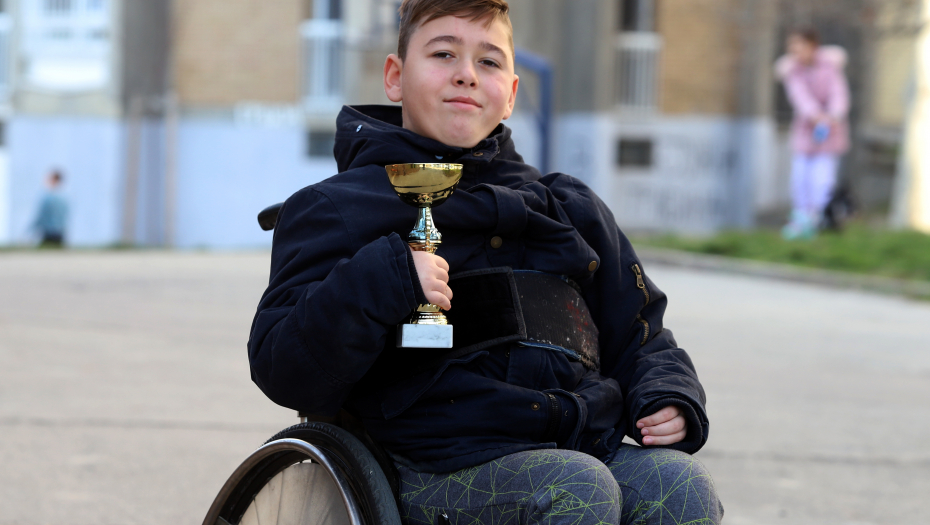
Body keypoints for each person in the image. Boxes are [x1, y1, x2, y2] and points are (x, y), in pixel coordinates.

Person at [248, 1, 723, 523]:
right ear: (395, 77)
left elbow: (642, 332)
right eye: (443, 54)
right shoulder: (338, 208)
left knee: (681, 488)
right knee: (576, 489)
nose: (467, 75)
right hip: (429, 463)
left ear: (512, 93)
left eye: (489, 62)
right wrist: (385, 278)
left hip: (579, 438)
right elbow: (282, 365)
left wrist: (665, 393)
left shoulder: (569, 208)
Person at [776, 27, 851, 240]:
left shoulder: (830, 66)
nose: (794, 50)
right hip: (805, 131)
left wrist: (833, 116)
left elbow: (839, 94)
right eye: (791, 46)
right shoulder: (793, 71)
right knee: (800, 178)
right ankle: (801, 219)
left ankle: (820, 219)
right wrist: (816, 116)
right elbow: (799, 97)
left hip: (830, 132)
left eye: (798, 45)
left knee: (822, 180)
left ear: (811, 46)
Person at [33, 170, 68, 248]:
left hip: (49, 232)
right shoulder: (65, 197)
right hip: (60, 231)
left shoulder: (48, 197)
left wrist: (32, 229)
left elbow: (41, 216)